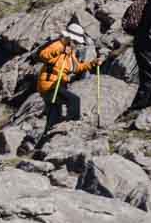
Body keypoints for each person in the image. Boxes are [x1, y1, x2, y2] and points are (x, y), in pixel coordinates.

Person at [33, 21, 101, 152]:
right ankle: (72, 126)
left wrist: (93, 63)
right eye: (74, 41)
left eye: (76, 42)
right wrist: (62, 49)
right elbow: (42, 55)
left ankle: (40, 149)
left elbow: (76, 68)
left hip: (58, 85)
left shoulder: (70, 53)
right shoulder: (58, 45)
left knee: (53, 119)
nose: (75, 44)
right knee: (74, 100)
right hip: (49, 85)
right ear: (69, 38)